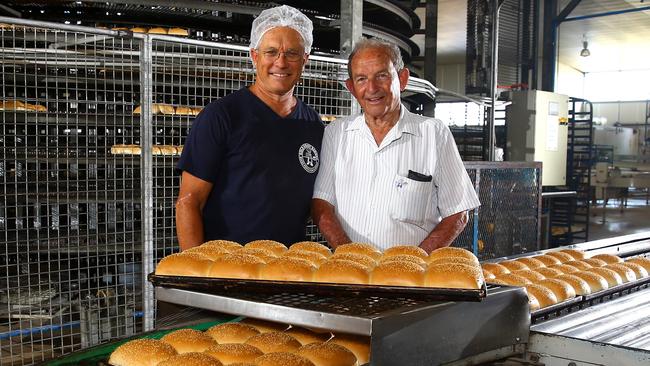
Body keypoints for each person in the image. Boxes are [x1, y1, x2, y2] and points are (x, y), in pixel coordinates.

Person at [176, 5, 324, 251]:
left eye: (292, 53)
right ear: (254, 56)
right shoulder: (222, 116)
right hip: (228, 268)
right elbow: (189, 202)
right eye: (271, 52)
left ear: (305, 60)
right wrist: (198, 274)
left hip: (287, 269)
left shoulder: (313, 125)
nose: (281, 62)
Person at [311, 38, 480, 253]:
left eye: (382, 76)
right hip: (350, 273)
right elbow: (322, 205)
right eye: (361, 79)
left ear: (402, 79)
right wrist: (349, 254)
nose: (371, 88)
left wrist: (413, 261)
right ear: (352, 88)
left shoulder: (433, 134)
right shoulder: (337, 134)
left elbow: (457, 213)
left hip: (409, 280)